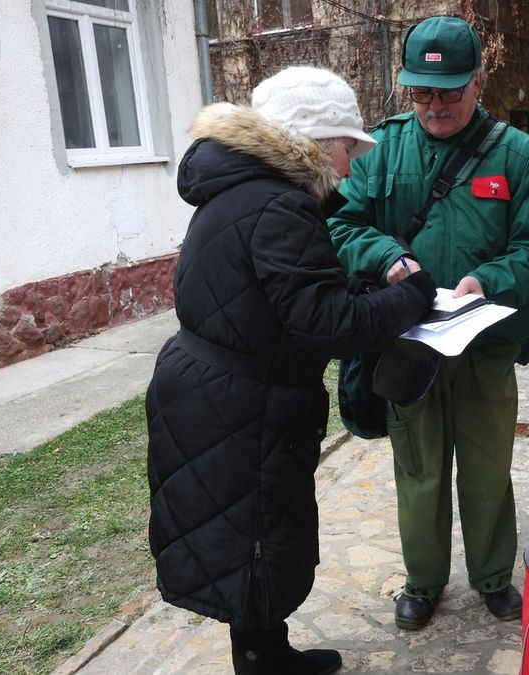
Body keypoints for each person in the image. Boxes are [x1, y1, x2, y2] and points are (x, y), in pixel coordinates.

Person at [146, 66, 437, 675]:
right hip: (241, 402)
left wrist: (361, 288)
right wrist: (411, 298)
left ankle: (267, 653)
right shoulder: (278, 203)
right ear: (318, 141)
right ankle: (262, 664)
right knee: (253, 536)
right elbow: (327, 325)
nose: (350, 166)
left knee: (249, 532)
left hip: (220, 390)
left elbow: (284, 293)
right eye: (347, 147)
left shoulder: (244, 189)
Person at [327, 17, 529, 630]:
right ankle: (423, 582)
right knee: (419, 467)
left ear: (478, 82)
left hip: (486, 344)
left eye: (449, 92)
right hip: (408, 345)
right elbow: (341, 225)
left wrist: (488, 281)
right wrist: (386, 256)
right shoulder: (381, 149)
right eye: (422, 92)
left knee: (487, 466)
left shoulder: (518, 154)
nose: (434, 105)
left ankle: (493, 577)